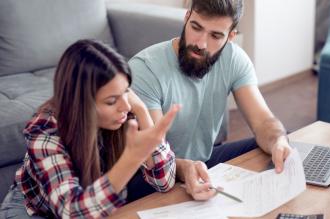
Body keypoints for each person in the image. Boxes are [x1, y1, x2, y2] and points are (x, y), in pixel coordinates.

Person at [129, 0, 292, 201]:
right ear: (187, 17)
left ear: (230, 37)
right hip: (151, 175)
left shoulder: (234, 59)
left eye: (215, 35)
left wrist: (278, 140)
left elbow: (263, 122)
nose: (201, 43)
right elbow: (154, 159)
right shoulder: (146, 70)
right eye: (196, 27)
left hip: (202, 163)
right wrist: (186, 169)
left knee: (282, 142)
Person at [0, 39, 180, 219]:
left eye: (127, 91)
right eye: (111, 101)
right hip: (35, 211)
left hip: (93, 203)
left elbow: (164, 182)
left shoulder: (125, 111)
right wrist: (132, 159)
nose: (125, 106)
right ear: (82, 103)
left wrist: (142, 111)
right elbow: (71, 212)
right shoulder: (45, 129)